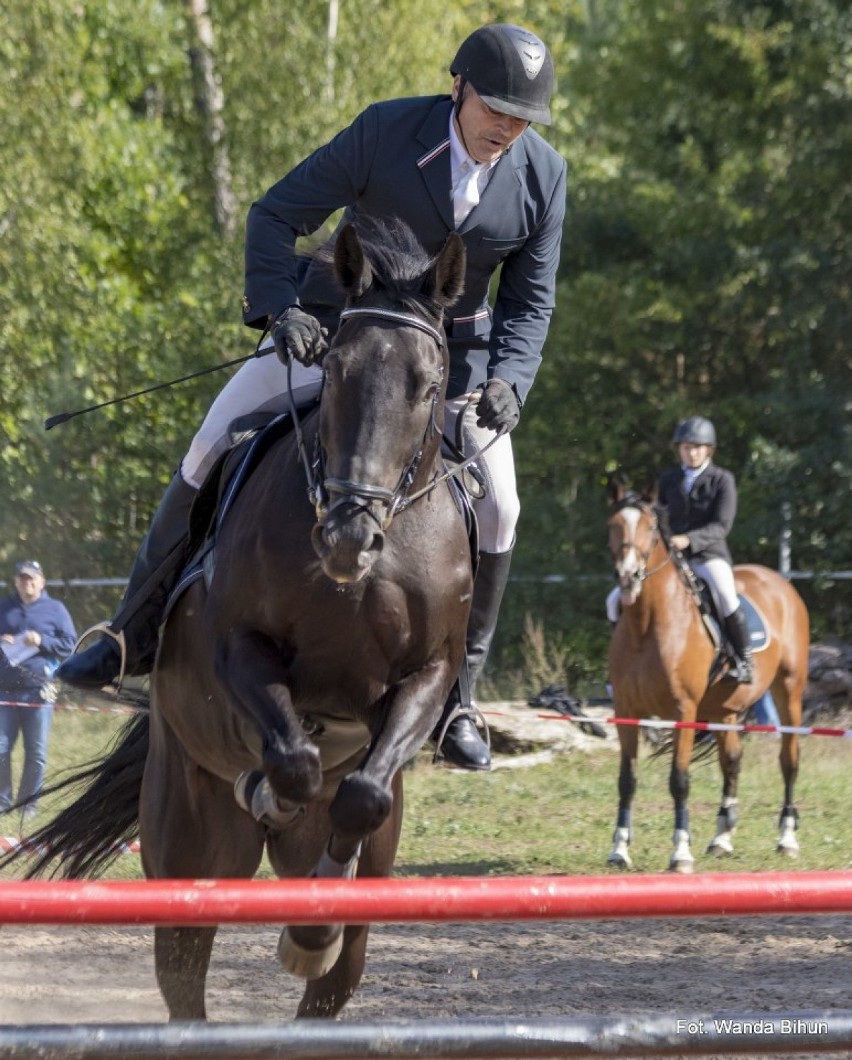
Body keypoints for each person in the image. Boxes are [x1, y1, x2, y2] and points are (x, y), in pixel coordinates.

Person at [57, 23, 568, 771]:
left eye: (522, 117)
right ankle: (127, 631)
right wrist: (279, 309)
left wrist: (510, 383)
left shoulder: (542, 176)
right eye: (496, 107)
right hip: (339, 334)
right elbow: (275, 213)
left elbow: (531, 301)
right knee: (214, 437)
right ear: (457, 86)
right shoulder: (386, 131)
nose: (508, 127)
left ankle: (460, 696)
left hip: (452, 366)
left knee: (502, 506)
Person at [606, 416, 754, 683]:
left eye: (698, 447)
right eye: (686, 447)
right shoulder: (668, 479)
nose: (692, 452)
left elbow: (721, 525)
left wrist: (688, 540)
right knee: (613, 600)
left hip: (709, 555)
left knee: (725, 594)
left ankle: (743, 660)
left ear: (708, 449)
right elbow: (655, 520)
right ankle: (622, 662)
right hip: (670, 559)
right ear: (680, 449)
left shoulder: (722, 480)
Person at [0, 560, 77, 817]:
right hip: (5, 691)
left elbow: (69, 644)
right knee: (0, 748)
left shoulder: (56, 609)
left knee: (36, 751)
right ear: (16, 582)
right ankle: (2, 802)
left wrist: (42, 640)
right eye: (22, 578)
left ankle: (28, 804)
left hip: (38, 691)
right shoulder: (4, 607)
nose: (27, 583)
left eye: (32, 578)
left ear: (42, 581)